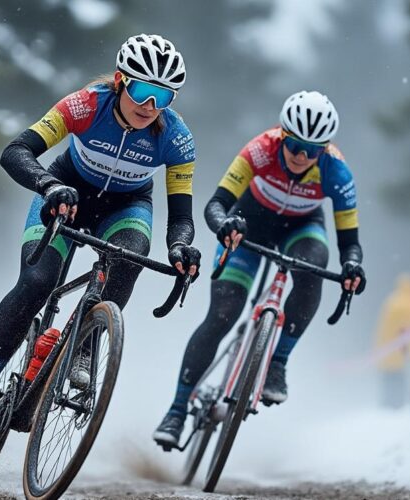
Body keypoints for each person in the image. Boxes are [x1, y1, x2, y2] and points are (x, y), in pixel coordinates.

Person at [0, 33, 201, 453]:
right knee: (36, 283)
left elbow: (181, 217)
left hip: (127, 206)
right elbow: (16, 151)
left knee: (130, 257)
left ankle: (86, 344)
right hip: (65, 193)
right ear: (120, 81)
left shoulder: (175, 137)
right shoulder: (85, 105)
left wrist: (180, 247)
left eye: (163, 96)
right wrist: (47, 185)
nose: (149, 105)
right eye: (142, 90)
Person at [153, 91, 366, 447]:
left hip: (302, 228)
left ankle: (277, 362)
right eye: (295, 145)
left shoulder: (336, 171)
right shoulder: (260, 149)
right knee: (222, 315)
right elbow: (216, 205)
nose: (301, 156)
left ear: (325, 149)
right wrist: (225, 225)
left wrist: (353, 266)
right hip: (249, 223)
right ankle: (176, 411)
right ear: (282, 136)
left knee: (314, 267)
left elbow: (350, 241)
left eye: (312, 150)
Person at [374, 273, 410, 409]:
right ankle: (398, 406)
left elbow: (382, 327)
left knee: (388, 382)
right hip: (404, 351)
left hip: (387, 350)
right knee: (400, 381)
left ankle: (388, 407)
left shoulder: (392, 301)